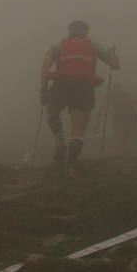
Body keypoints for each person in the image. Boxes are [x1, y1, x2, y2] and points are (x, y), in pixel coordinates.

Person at [40, 21, 120, 177]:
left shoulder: (59, 45)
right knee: (77, 132)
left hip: (61, 85)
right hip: (83, 88)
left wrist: (43, 91)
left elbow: (44, 68)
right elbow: (115, 64)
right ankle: (70, 169)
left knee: (52, 110)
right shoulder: (94, 46)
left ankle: (58, 139)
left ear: (70, 31)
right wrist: (113, 54)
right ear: (86, 32)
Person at [93, 82, 137, 155]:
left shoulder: (110, 95)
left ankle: (119, 151)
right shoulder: (127, 94)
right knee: (126, 135)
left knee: (119, 135)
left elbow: (102, 109)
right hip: (131, 115)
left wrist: (97, 123)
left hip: (121, 116)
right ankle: (124, 151)